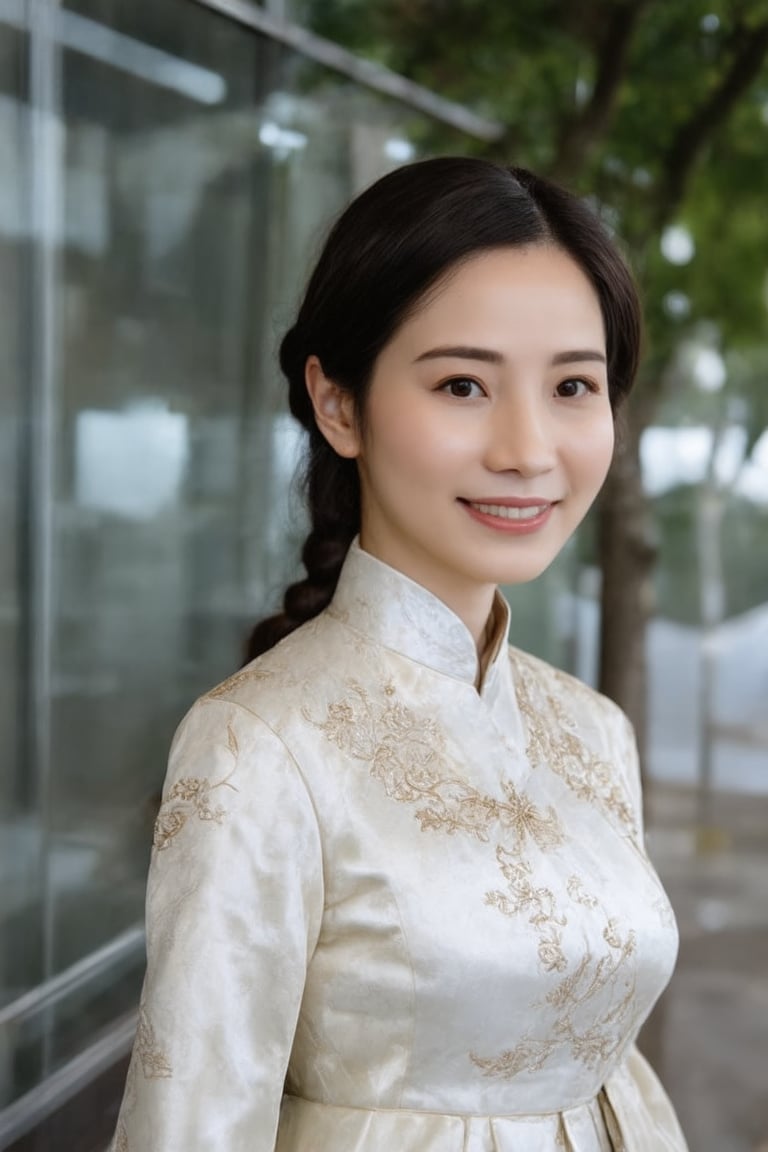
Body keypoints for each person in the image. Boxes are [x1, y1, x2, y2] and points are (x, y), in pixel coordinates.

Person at [110, 156, 689, 1152]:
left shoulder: (593, 732)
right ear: (338, 405)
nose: (527, 447)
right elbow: (189, 1124)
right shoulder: (258, 744)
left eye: (573, 386)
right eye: (463, 383)